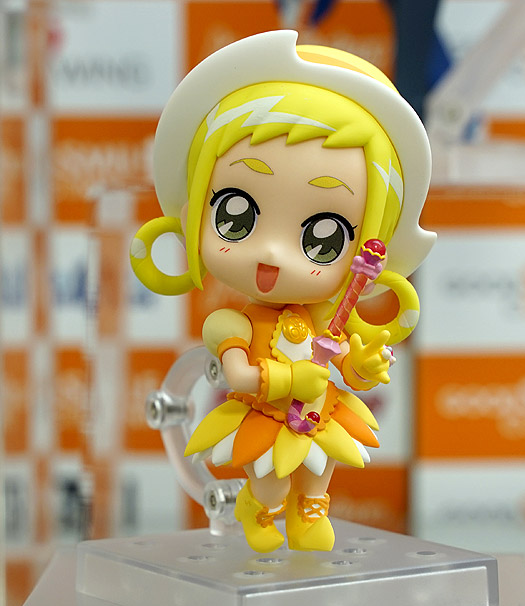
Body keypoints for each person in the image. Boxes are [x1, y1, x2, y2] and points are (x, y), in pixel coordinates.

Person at [130, 30, 435, 553]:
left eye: (322, 237)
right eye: (236, 214)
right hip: (267, 416)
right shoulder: (231, 325)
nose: (272, 253)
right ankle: (260, 509)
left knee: (318, 472)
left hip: (319, 413)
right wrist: (291, 376)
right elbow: (239, 374)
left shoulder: (328, 316)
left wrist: (363, 365)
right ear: (192, 214)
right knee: (270, 477)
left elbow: (350, 369)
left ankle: (309, 511)